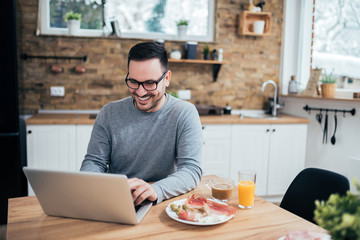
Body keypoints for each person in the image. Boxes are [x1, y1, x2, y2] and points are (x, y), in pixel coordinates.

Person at [80, 42, 203, 206]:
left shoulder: (184, 113)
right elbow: (94, 163)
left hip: (162, 201)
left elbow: (191, 170)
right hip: (118, 201)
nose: (140, 92)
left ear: (166, 79)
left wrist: (156, 190)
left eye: (150, 83)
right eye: (133, 82)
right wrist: (93, 187)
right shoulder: (109, 113)